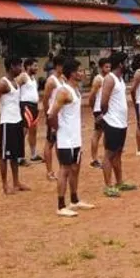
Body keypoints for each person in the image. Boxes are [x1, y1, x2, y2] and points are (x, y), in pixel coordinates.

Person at [49, 59, 96, 216]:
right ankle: (61, 205)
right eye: (79, 71)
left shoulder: (75, 90)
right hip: (65, 138)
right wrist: (58, 130)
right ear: (72, 73)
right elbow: (51, 114)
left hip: (75, 137)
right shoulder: (64, 91)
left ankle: (74, 200)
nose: (82, 73)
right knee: (65, 170)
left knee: (75, 168)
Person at [98, 52, 137, 197]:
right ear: (120, 64)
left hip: (121, 122)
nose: (128, 64)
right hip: (112, 122)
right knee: (109, 154)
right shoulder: (110, 79)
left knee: (118, 153)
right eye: (126, 62)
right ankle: (108, 186)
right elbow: (103, 102)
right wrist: (105, 117)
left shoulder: (120, 79)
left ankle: (119, 182)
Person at [0, 56, 30, 194]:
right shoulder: (3, 83)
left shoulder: (15, 82)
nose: (21, 69)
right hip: (7, 123)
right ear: (12, 66)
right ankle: (5, 185)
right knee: (4, 156)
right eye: (19, 66)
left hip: (17, 121)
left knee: (15, 154)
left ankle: (16, 182)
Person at [40, 56, 65, 181]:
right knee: (50, 142)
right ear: (58, 66)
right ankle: (49, 171)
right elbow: (45, 100)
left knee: (59, 142)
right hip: (53, 115)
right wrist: (48, 115)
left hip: (61, 116)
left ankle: (62, 168)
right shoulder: (51, 81)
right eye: (63, 65)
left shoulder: (62, 79)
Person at [18, 58, 43, 164]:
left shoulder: (33, 78)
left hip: (34, 107)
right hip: (26, 106)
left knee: (33, 131)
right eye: (35, 66)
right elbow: (14, 87)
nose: (37, 68)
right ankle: (19, 157)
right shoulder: (23, 76)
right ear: (28, 66)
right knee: (23, 131)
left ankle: (33, 154)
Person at [88, 57, 111, 169]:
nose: (108, 69)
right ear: (101, 67)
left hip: (105, 109)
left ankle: (106, 157)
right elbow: (92, 96)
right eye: (106, 67)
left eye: (109, 67)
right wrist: (95, 110)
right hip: (99, 109)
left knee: (106, 133)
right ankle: (94, 159)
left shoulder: (108, 78)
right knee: (97, 134)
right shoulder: (98, 79)